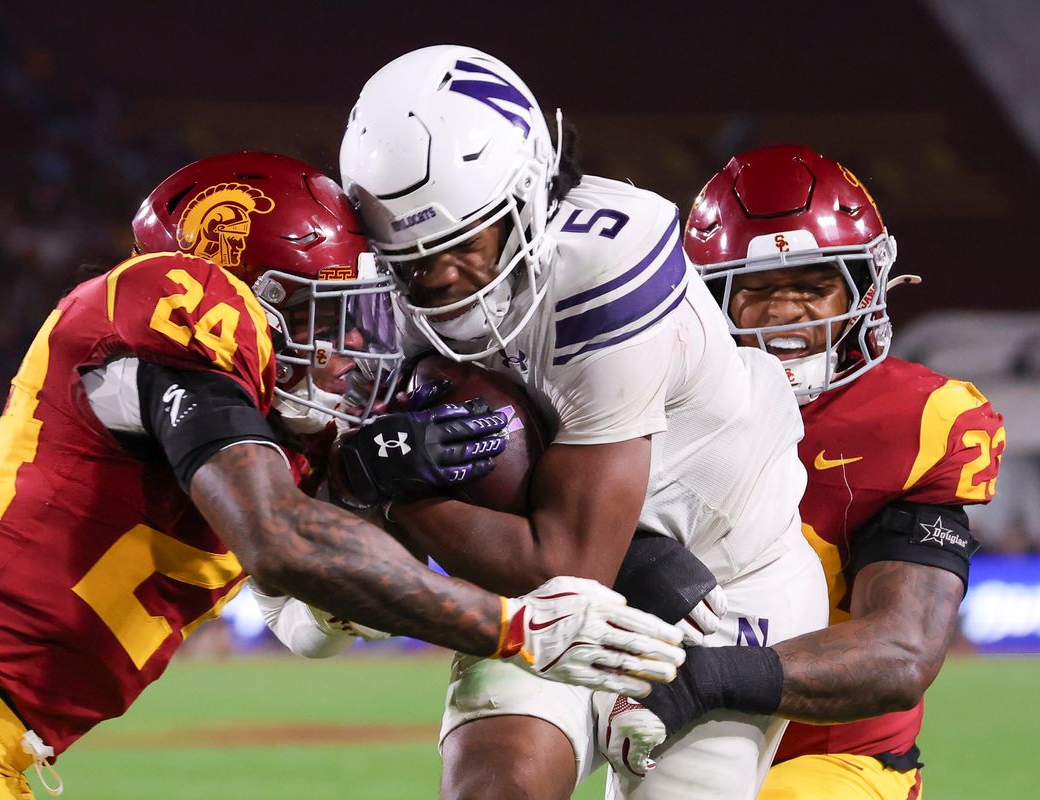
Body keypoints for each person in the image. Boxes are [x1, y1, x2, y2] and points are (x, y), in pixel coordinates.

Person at [0, 152, 688, 799]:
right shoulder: (180, 301)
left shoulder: (264, 450)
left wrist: (364, 489)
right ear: (250, 296)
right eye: (318, 318)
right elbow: (278, 540)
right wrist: (517, 629)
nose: (344, 356)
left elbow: (310, 626)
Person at [336, 46, 828, 800]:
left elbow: (566, 564)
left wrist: (393, 487)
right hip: (566, 569)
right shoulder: (378, 283)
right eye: (411, 259)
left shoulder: (609, 263)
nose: (438, 279)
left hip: (723, 586)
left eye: (464, 243)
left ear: (528, 191)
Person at [606, 144, 1005, 799]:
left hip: (831, 752)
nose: (787, 312)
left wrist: (711, 677)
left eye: (814, 286)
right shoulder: (645, 399)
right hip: (665, 711)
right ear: (706, 303)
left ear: (862, 287)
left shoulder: (915, 420)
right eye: (756, 289)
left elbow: (902, 652)